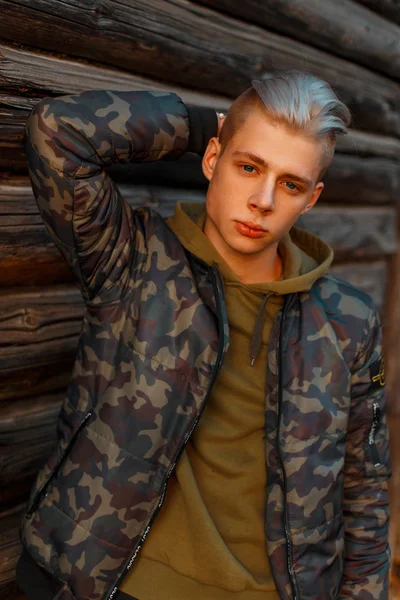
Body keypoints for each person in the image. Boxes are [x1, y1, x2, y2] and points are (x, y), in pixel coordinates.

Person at [16, 70, 390, 600]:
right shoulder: (136, 261)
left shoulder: (348, 319)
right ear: (213, 160)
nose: (262, 200)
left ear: (311, 199)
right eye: (247, 165)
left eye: (290, 183)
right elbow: (58, 134)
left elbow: (364, 486)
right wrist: (201, 127)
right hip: (119, 587)